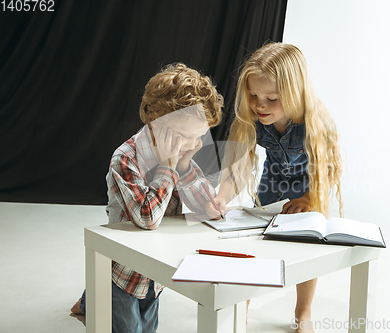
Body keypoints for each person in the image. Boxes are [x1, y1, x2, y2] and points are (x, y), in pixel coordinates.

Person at [71, 63, 224, 333]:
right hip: (122, 270)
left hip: (154, 272)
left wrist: (186, 168)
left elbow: (212, 210)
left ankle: (89, 298)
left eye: (199, 137)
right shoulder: (126, 158)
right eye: (186, 136)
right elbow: (147, 219)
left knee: (147, 327)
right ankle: (94, 294)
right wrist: (168, 168)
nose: (194, 145)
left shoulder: (183, 154)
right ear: (158, 122)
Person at [205, 42, 343, 333]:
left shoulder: (316, 120)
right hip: (273, 180)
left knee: (308, 245)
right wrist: (221, 197)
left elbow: (328, 170)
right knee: (259, 241)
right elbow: (237, 165)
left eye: (271, 98)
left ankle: (303, 311)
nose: (259, 105)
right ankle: (241, 306)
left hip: (310, 182)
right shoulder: (253, 119)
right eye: (253, 96)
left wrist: (307, 198)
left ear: (295, 93)